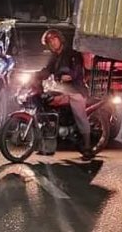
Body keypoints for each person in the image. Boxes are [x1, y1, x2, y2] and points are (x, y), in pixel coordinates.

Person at [37, 28, 94, 160]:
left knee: (80, 115)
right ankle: (48, 142)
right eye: (49, 41)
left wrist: (69, 76)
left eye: (54, 39)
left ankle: (87, 147)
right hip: (61, 88)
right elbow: (47, 70)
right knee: (44, 101)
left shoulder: (72, 53)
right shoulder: (54, 56)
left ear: (60, 39)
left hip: (75, 89)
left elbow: (77, 71)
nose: (52, 43)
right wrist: (35, 76)